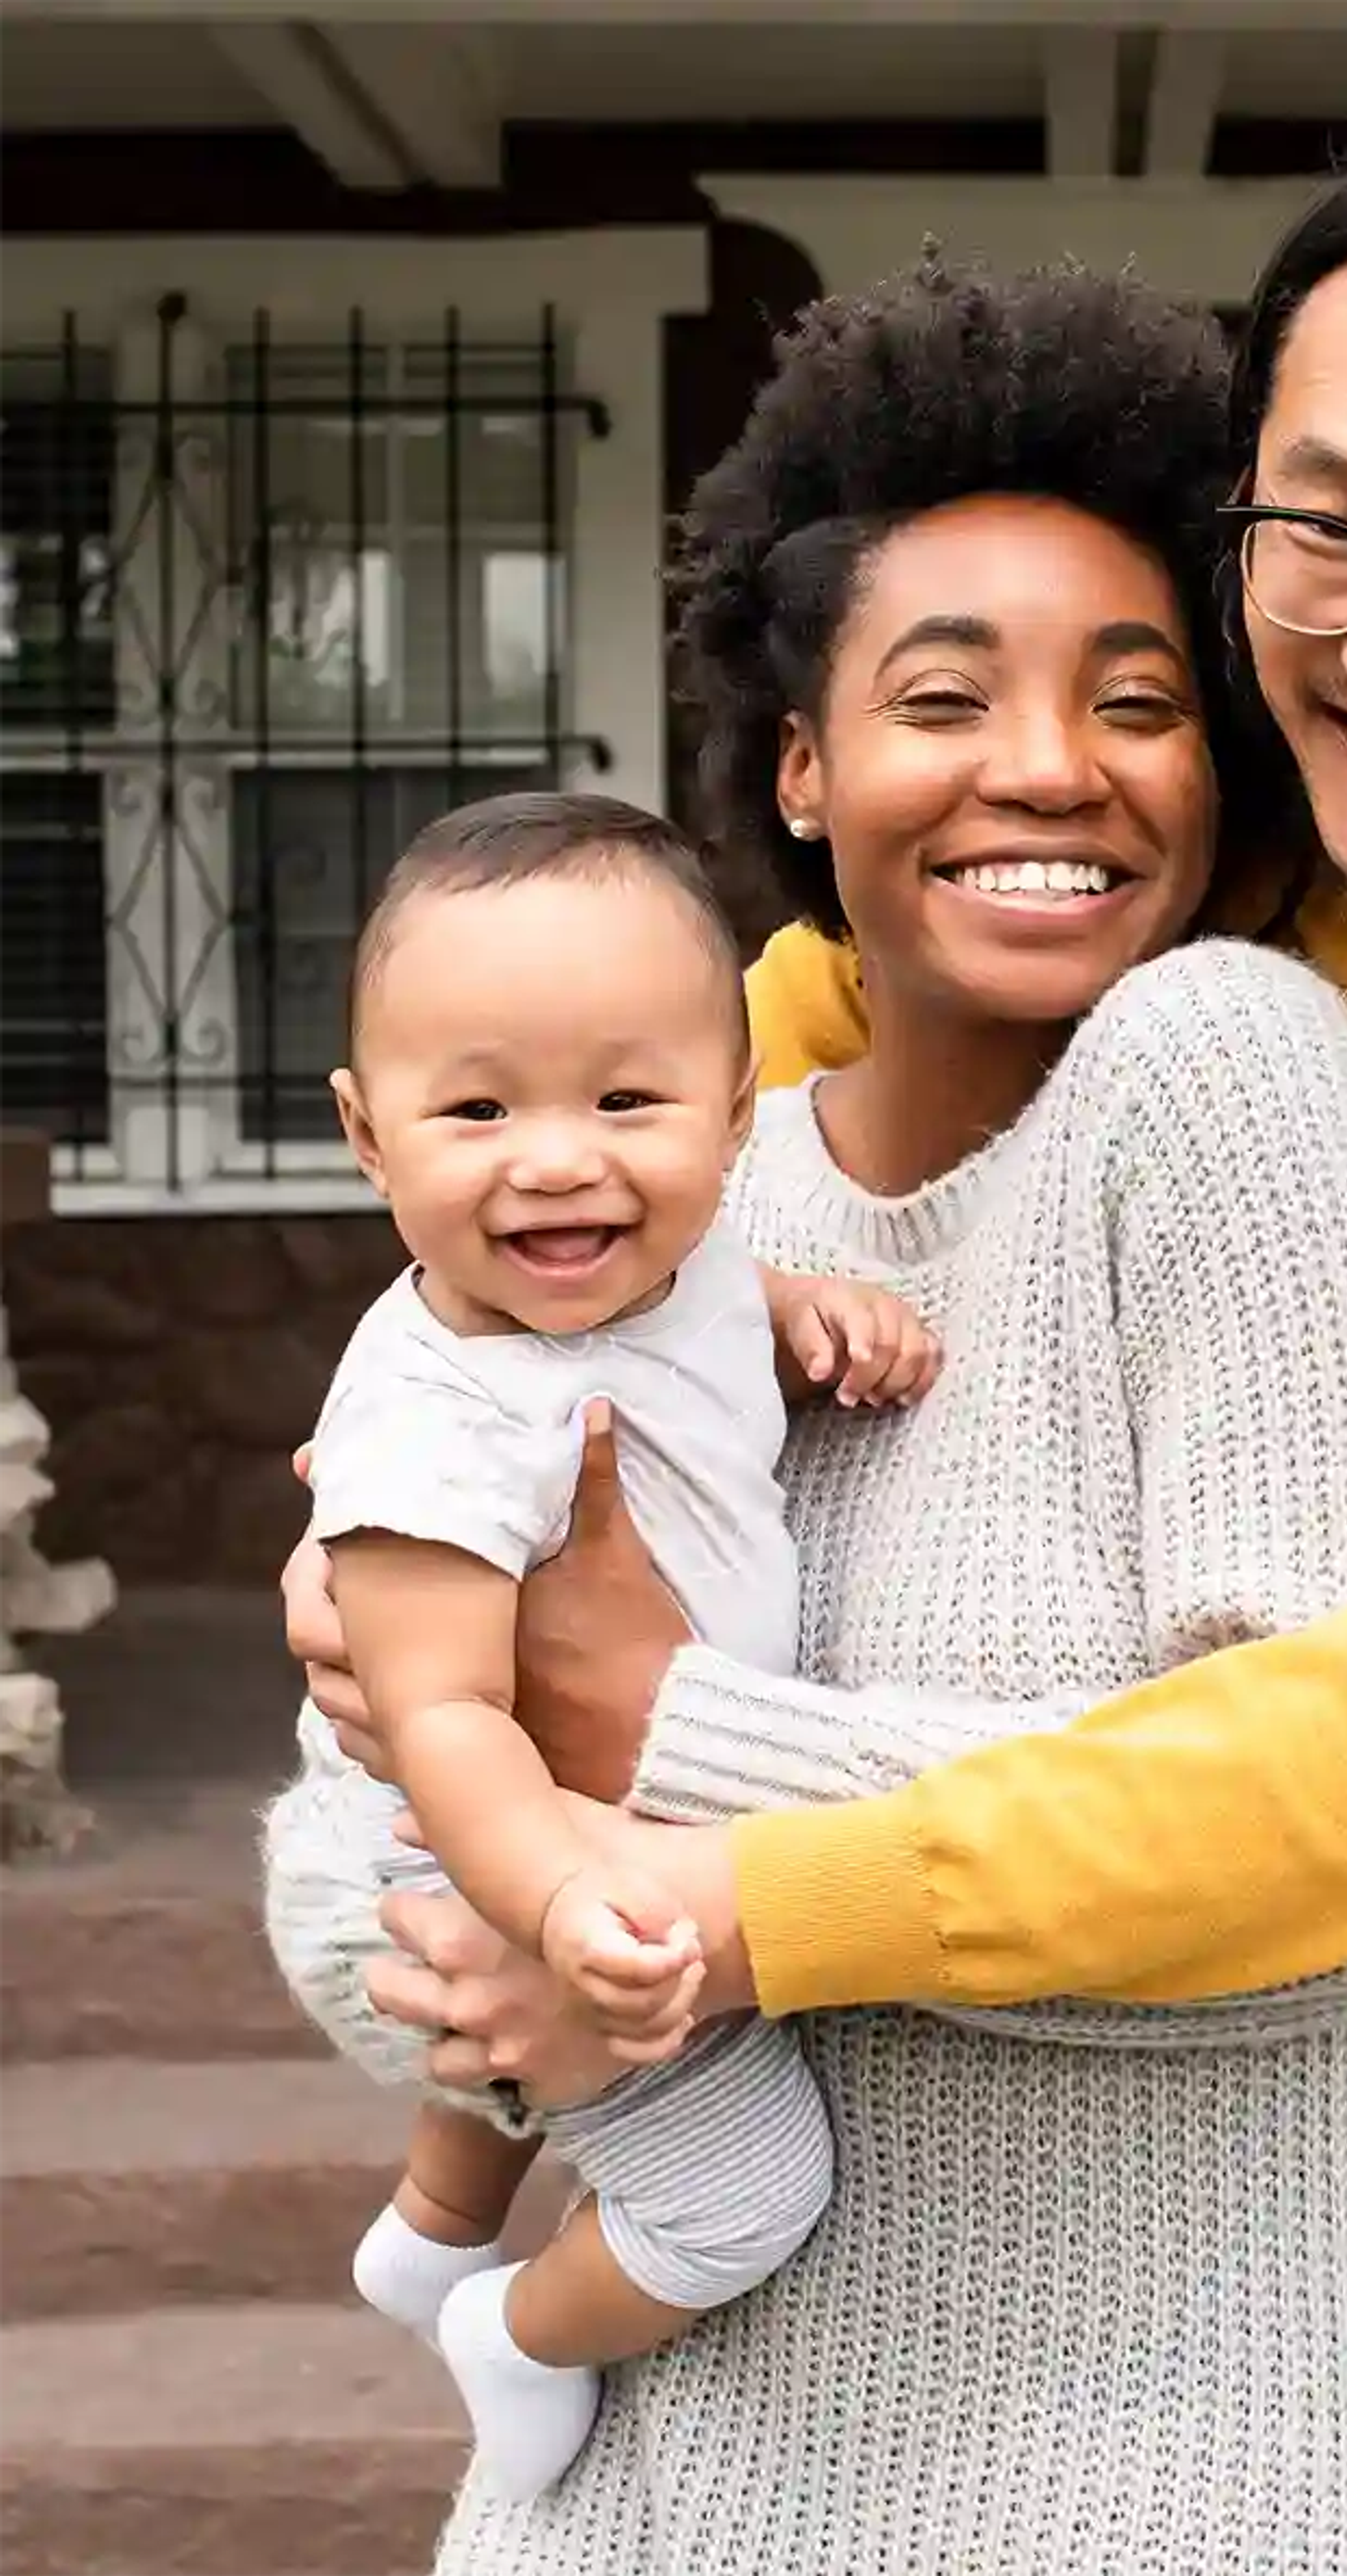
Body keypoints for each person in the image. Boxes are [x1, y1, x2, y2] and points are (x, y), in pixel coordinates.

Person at [265, 257, 1347, 2574]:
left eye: (1138, 699)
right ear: (800, 762)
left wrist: (671, 1755)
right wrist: (462, 1954)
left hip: (1166, 2493)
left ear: (1212, 764)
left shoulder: (1224, 1087)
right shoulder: (653, 1188)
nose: (1048, 765)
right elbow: (351, 1865)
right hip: (638, 2505)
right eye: (943, 694)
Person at [270, 790, 935, 2499]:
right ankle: (515, 2328)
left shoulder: (684, 1258)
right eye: (477, 1107)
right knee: (742, 2196)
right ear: (367, 1135)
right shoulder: (431, 1430)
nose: (558, 1158)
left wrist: (803, 1316)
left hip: (564, 1817)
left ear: (734, 1116)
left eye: (627, 1102)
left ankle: (429, 2228)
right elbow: (449, 1730)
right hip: (447, 1852)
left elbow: (718, 1319)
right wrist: (569, 1911)